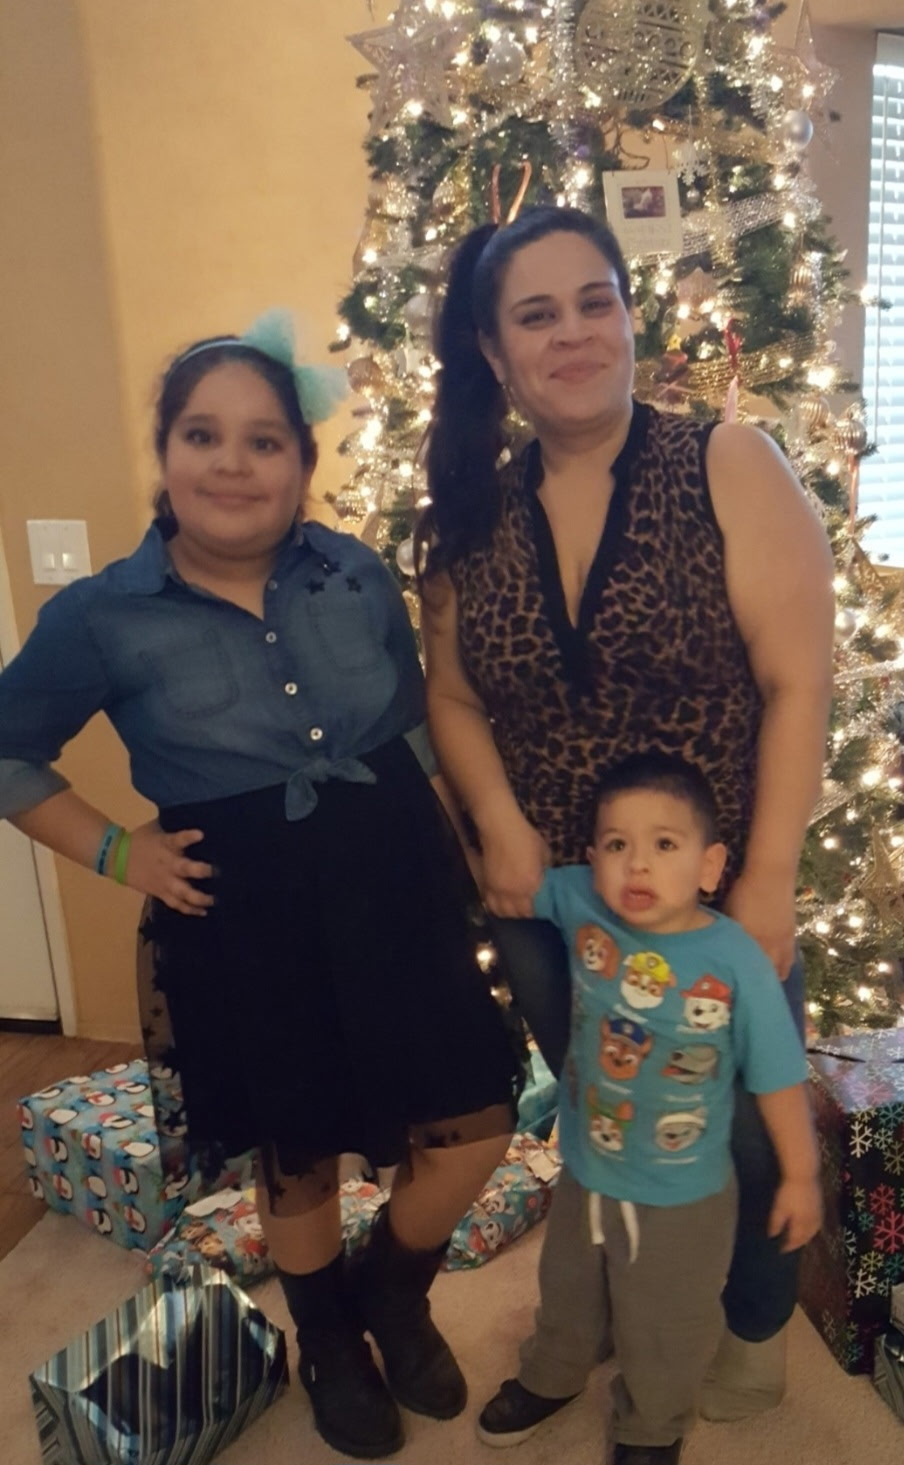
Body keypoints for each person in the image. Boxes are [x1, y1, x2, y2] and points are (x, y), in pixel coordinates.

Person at [0, 310, 521, 1462]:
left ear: (302, 461)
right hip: (247, 920)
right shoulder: (102, 616)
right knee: (299, 1151)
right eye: (203, 434)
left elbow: (418, 731)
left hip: (399, 887)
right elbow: (8, 750)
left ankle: (390, 1291)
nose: (232, 463)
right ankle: (327, 1339)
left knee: (475, 1118)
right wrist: (117, 851)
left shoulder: (354, 572)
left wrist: (476, 853)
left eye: (263, 440)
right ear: (165, 452)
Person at [418, 205, 835, 1437]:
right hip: (550, 902)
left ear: (629, 315)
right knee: (610, 1120)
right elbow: (449, 694)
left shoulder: (727, 463)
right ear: (493, 350)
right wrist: (496, 820)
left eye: (593, 301)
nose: (572, 334)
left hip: (710, 903)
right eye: (535, 314)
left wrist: (768, 876)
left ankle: (748, 1326)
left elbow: (797, 681)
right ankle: (600, 1308)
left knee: (741, 1132)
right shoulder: (469, 513)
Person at [483, 751, 820, 1462]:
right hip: (586, 1170)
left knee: (666, 1323)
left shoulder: (736, 959)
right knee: (566, 1290)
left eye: (664, 844)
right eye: (617, 844)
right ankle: (553, 1373)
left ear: (710, 865)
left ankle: (652, 1425)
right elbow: (508, 884)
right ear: (591, 860)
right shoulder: (580, 900)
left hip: (683, 1197)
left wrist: (798, 1175)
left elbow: (778, 1077)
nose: (637, 864)